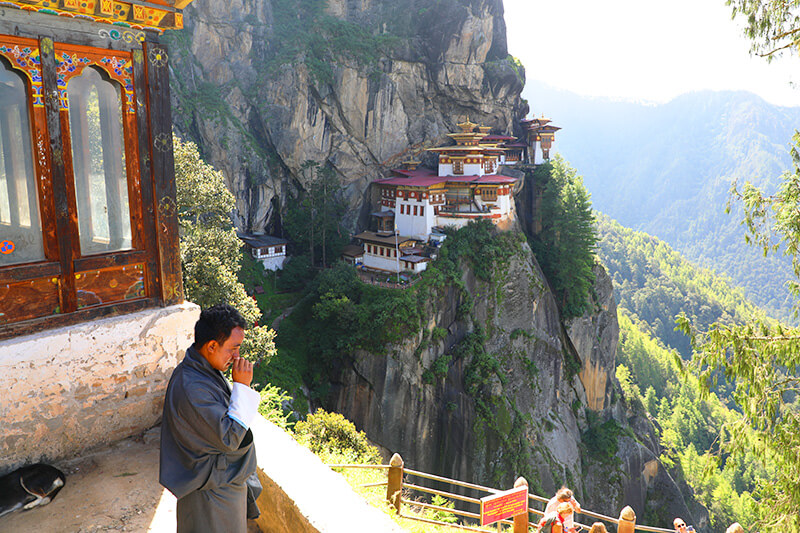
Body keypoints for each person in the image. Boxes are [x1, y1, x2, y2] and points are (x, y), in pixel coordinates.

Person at [159, 304, 262, 533]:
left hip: (220, 482)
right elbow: (228, 438)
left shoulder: (203, 370)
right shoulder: (192, 386)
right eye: (232, 349)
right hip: (211, 489)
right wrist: (242, 387)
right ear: (212, 346)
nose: (237, 356)